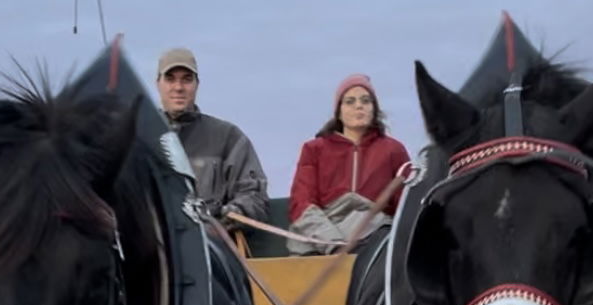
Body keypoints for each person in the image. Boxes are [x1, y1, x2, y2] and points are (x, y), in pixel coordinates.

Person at [287, 74, 410, 253]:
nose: (358, 105)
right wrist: (332, 242)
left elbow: (404, 204)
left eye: (365, 101)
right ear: (339, 111)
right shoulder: (314, 149)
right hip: (320, 234)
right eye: (350, 101)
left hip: (376, 234)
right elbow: (301, 202)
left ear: (374, 109)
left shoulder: (394, 150)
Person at [156, 48, 269, 226]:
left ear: (197, 85)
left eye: (187, 79)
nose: (178, 87)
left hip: (210, 244)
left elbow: (254, 195)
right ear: (158, 84)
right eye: (170, 79)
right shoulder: (138, 137)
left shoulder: (228, 137)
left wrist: (230, 214)